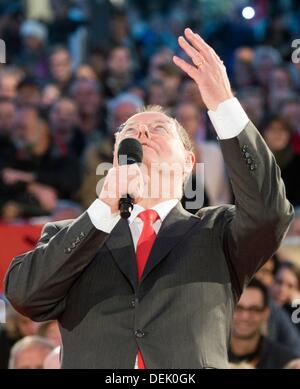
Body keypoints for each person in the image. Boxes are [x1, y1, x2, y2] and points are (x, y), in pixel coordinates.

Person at [4, 28, 293, 369]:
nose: (140, 134)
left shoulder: (219, 231)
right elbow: (25, 296)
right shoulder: (70, 235)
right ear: (113, 162)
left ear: (188, 163)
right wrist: (102, 211)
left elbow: (269, 212)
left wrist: (223, 105)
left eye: (157, 129)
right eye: (128, 133)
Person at [229, 279, 299, 369]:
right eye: (238, 308)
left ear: (266, 314)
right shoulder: (208, 354)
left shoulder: (287, 362)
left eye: (254, 309)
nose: (245, 316)